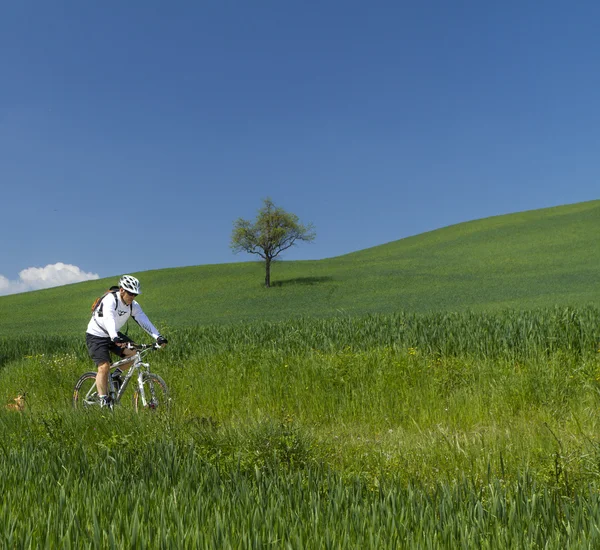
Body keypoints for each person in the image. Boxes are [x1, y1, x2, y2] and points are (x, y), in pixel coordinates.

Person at [85, 274, 168, 407]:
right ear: (122, 290)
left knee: (134, 353)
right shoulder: (110, 300)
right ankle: (103, 400)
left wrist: (158, 336)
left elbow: (143, 320)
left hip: (113, 334)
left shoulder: (133, 305)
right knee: (104, 366)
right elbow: (108, 318)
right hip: (97, 335)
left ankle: (115, 376)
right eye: (130, 293)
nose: (133, 297)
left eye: (135, 294)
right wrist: (115, 337)